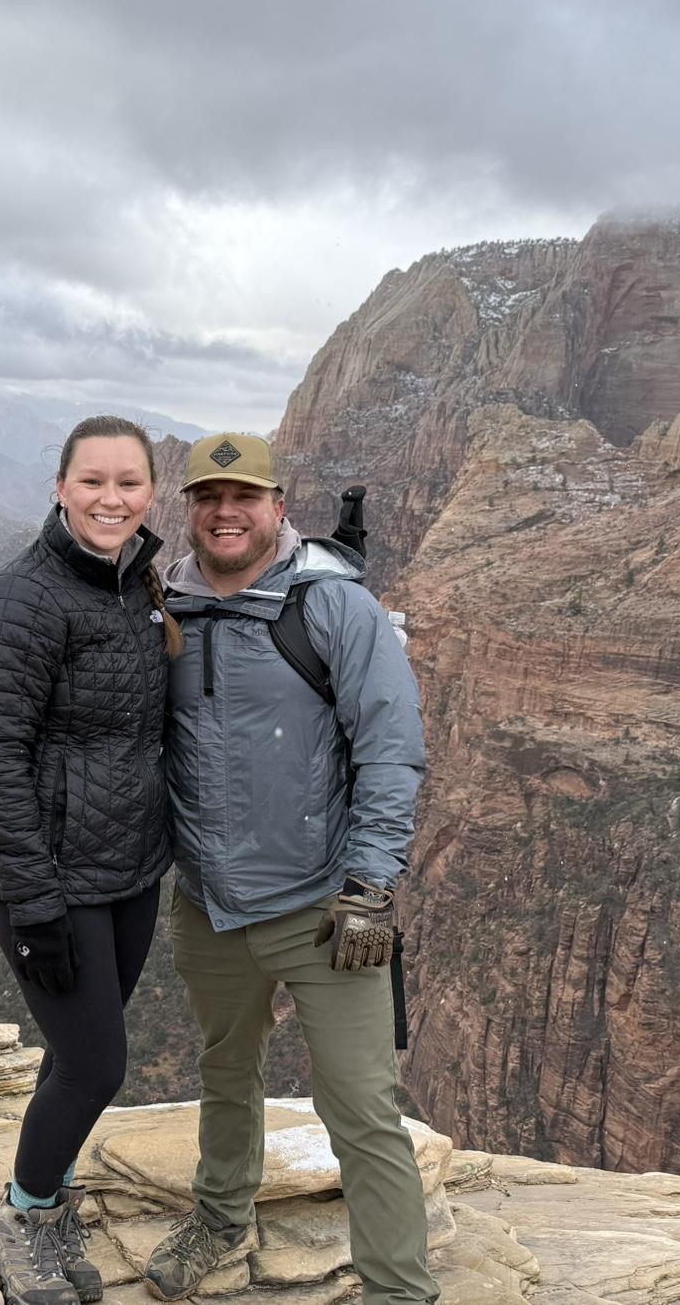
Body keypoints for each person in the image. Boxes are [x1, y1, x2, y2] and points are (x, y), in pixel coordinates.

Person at [142, 432, 437, 1305]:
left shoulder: (334, 608)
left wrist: (372, 886)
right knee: (226, 1071)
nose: (225, 512)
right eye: (208, 497)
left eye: (244, 497)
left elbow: (390, 750)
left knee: (364, 1108)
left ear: (278, 507)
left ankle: (399, 1291)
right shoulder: (163, 608)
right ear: (189, 510)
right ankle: (219, 1219)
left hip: (324, 908)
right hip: (208, 905)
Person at [0, 415, 183, 1305]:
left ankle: (47, 1206)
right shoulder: (18, 598)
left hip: (130, 869)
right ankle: (19, 1220)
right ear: (60, 487)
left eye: (129, 482)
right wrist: (34, 901)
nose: (111, 498)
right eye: (93, 481)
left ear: (150, 493)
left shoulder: (138, 587)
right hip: (53, 879)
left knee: (73, 1051)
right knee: (96, 1066)